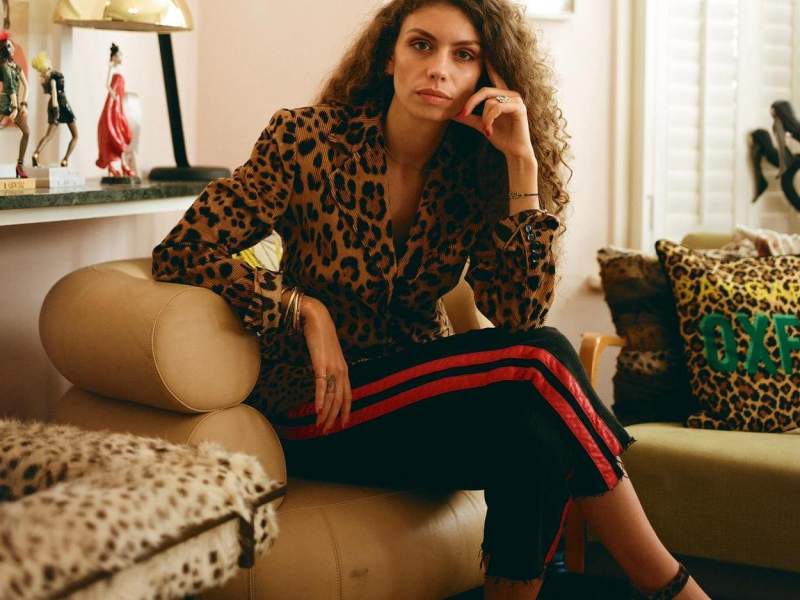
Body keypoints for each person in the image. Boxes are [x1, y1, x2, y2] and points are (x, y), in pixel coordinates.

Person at [152, 1, 711, 598]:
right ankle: (675, 590)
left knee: (536, 428)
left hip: (420, 407)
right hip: (318, 403)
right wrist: (303, 310)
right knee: (541, 360)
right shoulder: (305, 139)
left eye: (463, 55)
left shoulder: (473, 172)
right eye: (421, 45)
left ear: (486, 80)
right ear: (389, 55)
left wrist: (520, 166)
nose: (438, 68)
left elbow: (519, 315)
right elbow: (181, 252)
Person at [30, 51, 78, 168]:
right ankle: (65, 159)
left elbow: (52, 95)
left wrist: (54, 110)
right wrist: (56, 112)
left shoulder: (47, 80)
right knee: (75, 135)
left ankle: (36, 153)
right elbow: (55, 95)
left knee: (49, 135)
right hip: (61, 105)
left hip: (53, 105)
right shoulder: (53, 79)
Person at [96, 43, 134, 178]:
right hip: (113, 104)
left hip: (119, 105)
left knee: (122, 131)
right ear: (113, 57)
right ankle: (120, 165)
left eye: (120, 55)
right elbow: (107, 84)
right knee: (115, 131)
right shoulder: (112, 68)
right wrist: (114, 95)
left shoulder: (119, 70)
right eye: (118, 55)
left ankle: (120, 166)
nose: (120, 57)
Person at [0, 31, 29, 178]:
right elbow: (10, 87)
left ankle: (20, 165)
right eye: (10, 46)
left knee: (26, 132)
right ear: (6, 49)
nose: (14, 48)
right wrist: (16, 107)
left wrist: (24, 104)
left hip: (16, 104)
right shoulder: (4, 66)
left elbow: (26, 86)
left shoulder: (16, 67)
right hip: (5, 104)